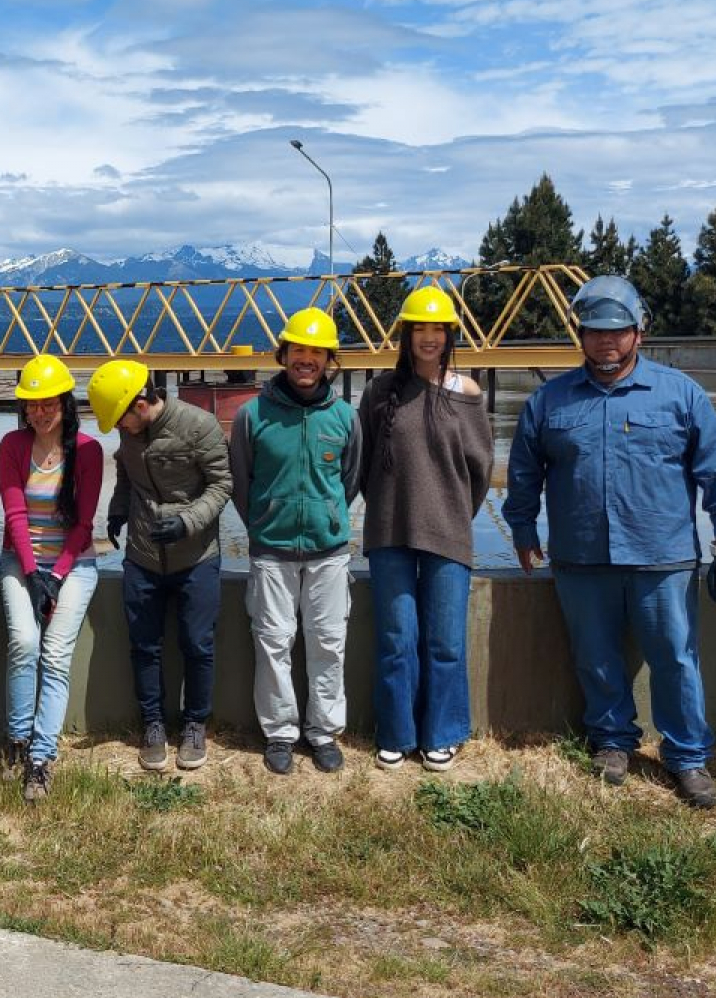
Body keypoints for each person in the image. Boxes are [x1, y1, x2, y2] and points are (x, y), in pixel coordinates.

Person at [504, 275, 716, 809]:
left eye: (617, 331)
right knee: (595, 657)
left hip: (663, 555)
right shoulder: (550, 400)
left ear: (640, 332)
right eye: (593, 331)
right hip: (581, 556)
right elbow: (523, 473)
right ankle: (612, 742)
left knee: (676, 659)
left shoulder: (681, 394)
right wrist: (523, 528)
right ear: (580, 335)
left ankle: (687, 756)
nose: (605, 342)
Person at [358, 287, 493, 773]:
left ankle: (443, 733)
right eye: (421, 328)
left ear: (450, 335)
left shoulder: (468, 393)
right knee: (397, 639)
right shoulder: (377, 393)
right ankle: (396, 733)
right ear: (406, 335)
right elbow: (365, 464)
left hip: (448, 536)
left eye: (439, 329)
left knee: (445, 643)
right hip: (389, 533)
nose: (430, 337)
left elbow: (480, 469)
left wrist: (451, 512)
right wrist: (390, 508)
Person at [229, 308, 361, 775]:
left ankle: (323, 731)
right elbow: (240, 483)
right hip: (271, 551)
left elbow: (349, 481)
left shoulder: (345, 417)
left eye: (317, 352)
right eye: (299, 350)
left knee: (328, 641)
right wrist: (265, 522)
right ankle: (281, 733)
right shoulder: (251, 416)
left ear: (329, 360)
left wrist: (325, 518)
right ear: (283, 354)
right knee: (273, 642)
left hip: (328, 553)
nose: (307, 359)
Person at [90, 359, 232, 773]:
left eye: (119, 420)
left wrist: (188, 521)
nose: (118, 429)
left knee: (198, 644)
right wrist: (117, 511)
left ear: (139, 404)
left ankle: (194, 725)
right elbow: (128, 478)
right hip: (143, 556)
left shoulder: (199, 425)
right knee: (144, 645)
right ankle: (152, 724)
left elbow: (223, 484)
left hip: (196, 558)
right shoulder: (129, 434)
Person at [0, 354, 104, 801]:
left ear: (65, 402)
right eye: (31, 404)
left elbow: (83, 524)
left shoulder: (88, 450)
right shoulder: (12, 445)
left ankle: (41, 759)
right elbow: (15, 513)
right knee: (24, 642)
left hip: (73, 564)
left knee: (56, 655)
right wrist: (32, 572)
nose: (39, 412)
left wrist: (56, 577)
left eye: (48, 403)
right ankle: (18, 741)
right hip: (20, 562)